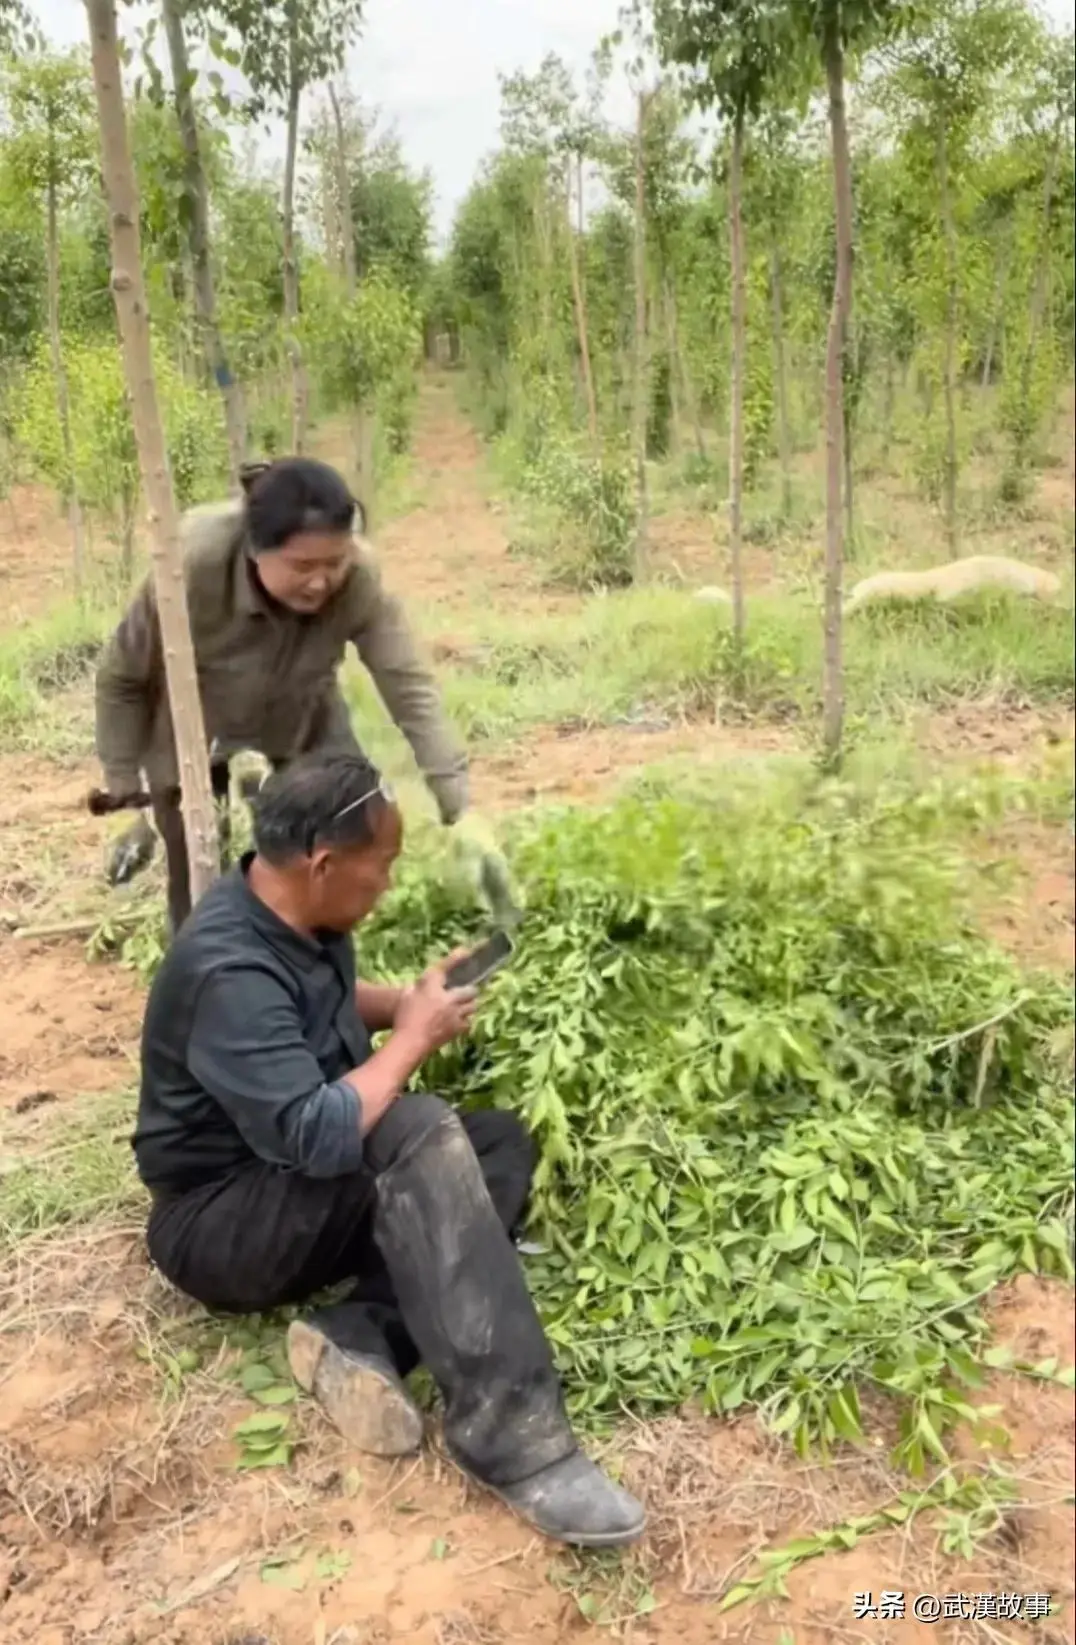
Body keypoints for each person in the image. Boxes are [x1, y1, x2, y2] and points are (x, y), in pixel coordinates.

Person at [133, 752, 645, 1548]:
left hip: (288, 1183)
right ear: (325, 863)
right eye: (386, 865)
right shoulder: (225, 968)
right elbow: (316, 1132)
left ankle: (358, 1333)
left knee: (497, 1143)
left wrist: (403, 1002)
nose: (390, 883)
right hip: (223, 1224)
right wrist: (411, 1040)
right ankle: (514, 1440)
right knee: (413, 1126)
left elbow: (327, 1003)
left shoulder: (303, 914)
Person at [95, 457, 507, 934]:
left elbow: (408, 685)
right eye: (302, 566)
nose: (320, 581)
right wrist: (126, 798)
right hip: (192, 724)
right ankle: (207, 978)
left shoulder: (358, 579)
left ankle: (311, 954)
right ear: (255, 550)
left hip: (301, 712)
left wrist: (459, 807)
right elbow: (122, 677)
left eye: (334, 563)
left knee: (344, 832)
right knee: (198, 878)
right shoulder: (190, 570)